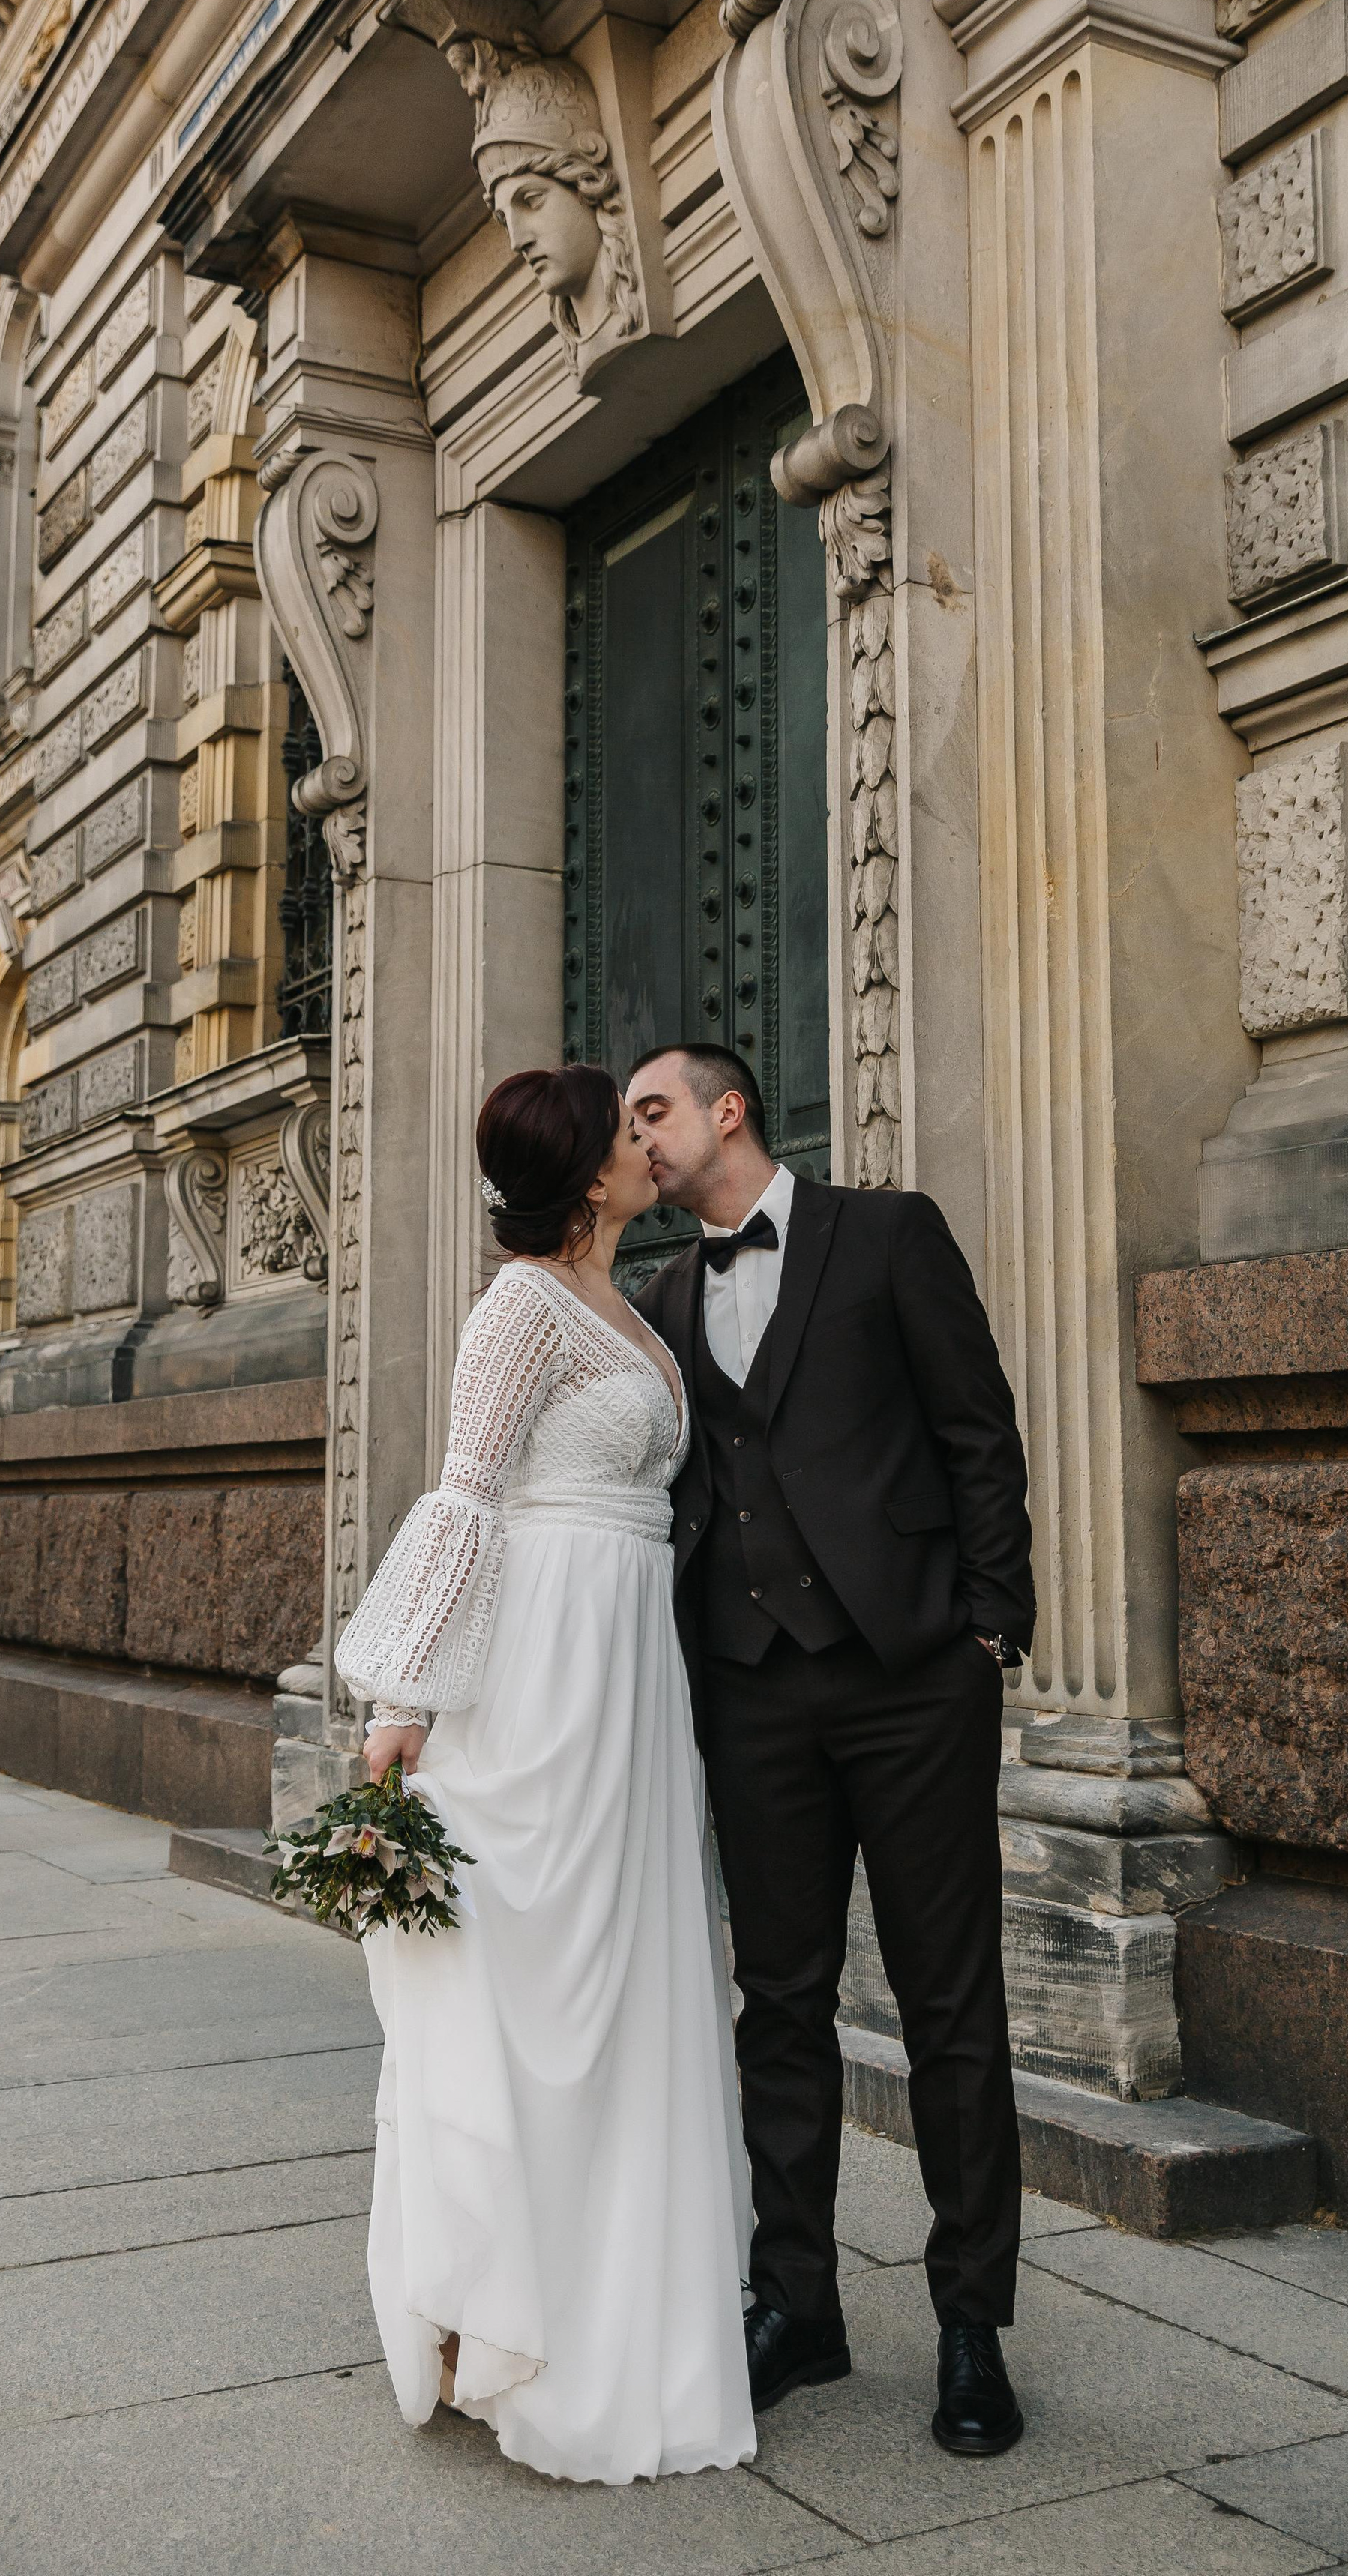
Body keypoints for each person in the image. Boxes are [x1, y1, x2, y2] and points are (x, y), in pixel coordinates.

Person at [333, 1064, 755, 2485]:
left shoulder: (628, 1305)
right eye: (626, 1130)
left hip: (634, 1673)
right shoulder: (518, 1308)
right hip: (544, 1678)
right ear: (586, 1172)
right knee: (533, 1984)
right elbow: (466, 1495)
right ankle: (500, 2316)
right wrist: (403, 1700)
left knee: (628, 1986)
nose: (650, 1143)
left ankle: (614, 2313)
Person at [626, 1043, 1035, 2459]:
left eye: (652, 1111)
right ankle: (797, 2301)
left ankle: (973, 2325)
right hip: (752, 1697)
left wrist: (992, 1632)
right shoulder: (663, 1296)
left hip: (915, 1684)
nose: (638, 1139)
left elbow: (979, 1432)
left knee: (949, 2008)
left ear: (727, 1109)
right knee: (780, 2008)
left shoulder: (888, 1232)